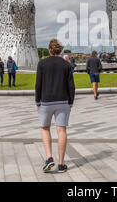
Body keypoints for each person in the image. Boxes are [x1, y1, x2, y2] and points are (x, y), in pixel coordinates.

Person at [36, 39, 75, 173]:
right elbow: (71, 86)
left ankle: (49, 157)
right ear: (60, 50)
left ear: (49, 49)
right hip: (63, 101)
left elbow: (38, 84)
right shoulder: (66, 65)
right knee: (61, 130)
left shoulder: (42, 64)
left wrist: (37, 101)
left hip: (46, 101)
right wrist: (71, 102)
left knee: (45, 128)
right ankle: (61, 164)